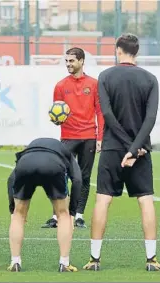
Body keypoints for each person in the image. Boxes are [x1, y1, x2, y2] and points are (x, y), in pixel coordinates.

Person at [83, 33, 160, 271]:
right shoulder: (150, 79)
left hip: (112, 149)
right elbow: (150, 120)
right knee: (146, 201)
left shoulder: (105, 76)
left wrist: (126, 147)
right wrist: (135, 149)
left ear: (118, 50)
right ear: (136, 52)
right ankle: (152, 260)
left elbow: (107, 115)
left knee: (103, 200)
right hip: (140, 152)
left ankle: (94, 259)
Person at [42, 47, 104, 229]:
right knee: (59, 175)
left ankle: (78, 215)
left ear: (82, 61)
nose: (68, 64)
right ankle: (57, 215)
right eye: (66, 61)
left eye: (72, 61)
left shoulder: (94, 84)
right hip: (68, 137)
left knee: (84, 177)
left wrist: (100, 136)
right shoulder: (60, 86)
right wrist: (56, 120)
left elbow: (100, 112)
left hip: (89, 137)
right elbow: (57, 113)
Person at [7, 138, 82, 272]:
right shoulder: (67, 153)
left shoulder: (28, 151)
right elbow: (77, 180)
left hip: (26, 164)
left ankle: (15, 262)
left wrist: (13, 209)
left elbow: (10, 179)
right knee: (62, 215)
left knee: (18, 215)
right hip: (53, 165)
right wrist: (72, 213)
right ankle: (64, 263)